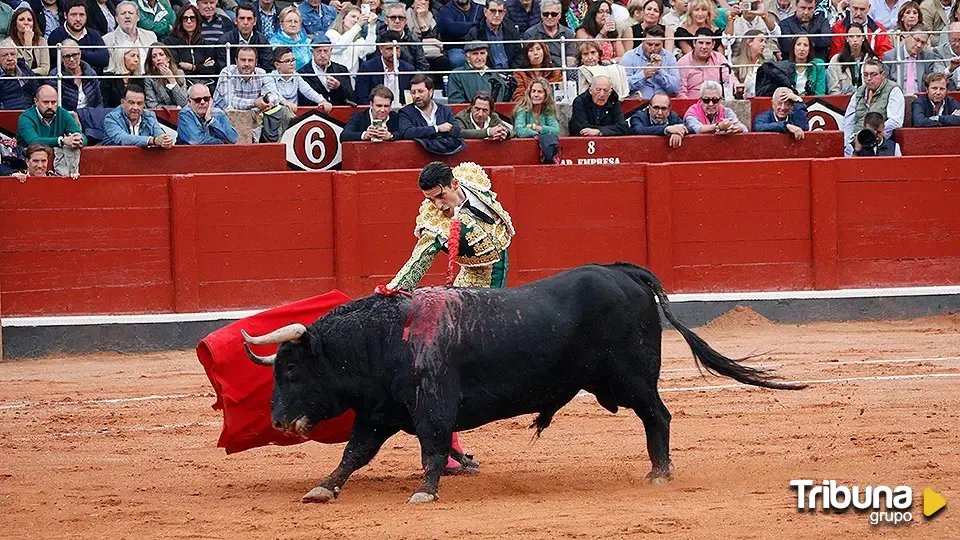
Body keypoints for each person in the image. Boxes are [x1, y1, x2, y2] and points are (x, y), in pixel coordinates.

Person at [377, 160, 515, 475]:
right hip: (469, 292)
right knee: (452, 370)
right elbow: (419, 260)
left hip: (494, 284)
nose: (435, 205)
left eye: (439, 196)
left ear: (454, 184)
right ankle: (447, 449)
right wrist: (394, 291)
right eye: (429, 199)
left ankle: (452, 446)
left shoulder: (472, 179)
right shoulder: (435, 220)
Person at [16, 85, 85, 175]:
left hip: (56, 165)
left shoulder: (62, 113)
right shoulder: (26, 117)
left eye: (53, 102)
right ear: (36, 101)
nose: (50, 106)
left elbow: (83, 137)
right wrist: (62, 141)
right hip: (27, 168)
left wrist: (78, 140)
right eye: (46, 102)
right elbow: (34, 142)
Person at [842, 57, 904, 156]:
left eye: (873, 74)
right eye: (865, 75)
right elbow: (848, 121)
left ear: (883, 75)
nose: (869, 79)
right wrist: (847, 143)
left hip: (881, 144)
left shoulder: (893, 90)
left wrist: (874, 136)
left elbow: (895, 121)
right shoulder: (859, 92)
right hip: (856, 142)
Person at [399, 74, 465, 155]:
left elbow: (455, 131)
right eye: (413, 92)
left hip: (446, 155)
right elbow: (408, 132)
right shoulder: (406, 112)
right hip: (419, 155)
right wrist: (437, 129)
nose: (416, 96)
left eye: (420, 91)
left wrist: (424, 135)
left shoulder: (445, 110)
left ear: (430, 92)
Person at [162, 4, 217, 88]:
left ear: (197, 20)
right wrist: (202, 67)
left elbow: (212, 69)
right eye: (185, 18)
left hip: (204, 84)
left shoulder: (204, 43)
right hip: (181, 84)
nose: (189, 21)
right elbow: (175, 66)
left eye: (192, 18)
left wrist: (193, 67)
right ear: (180, 20)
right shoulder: (170, 41)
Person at [103, 83, 174, 147]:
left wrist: (165, 140)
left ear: (144, 104)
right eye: (131, 103)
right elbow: (123, 139)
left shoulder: (150, 116)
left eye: (139, 103)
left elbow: (159, 133)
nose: (135, 107)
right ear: (122, 102)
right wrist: (152, 140)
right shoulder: (111, 119)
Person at [47, 0, 109, 72]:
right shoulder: (56, 35)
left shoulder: (94, 35)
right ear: (65, 15)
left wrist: (76, 52)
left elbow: (104, 59)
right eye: (73, 15)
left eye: (81, 15)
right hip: (65, 80)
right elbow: (59, 62)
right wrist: (91, 56)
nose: (78, 19)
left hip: (93, 79)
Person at [355, 32, 415, 106]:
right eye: (389, 49)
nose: (394, 53)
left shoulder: (408, 69)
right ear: (380, 48)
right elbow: (362, 98)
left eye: (397, 48)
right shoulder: (367, 68)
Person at [621, 23, 679, 98]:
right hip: (637, 105)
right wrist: (643, 75)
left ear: (663, 43)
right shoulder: (629, 56)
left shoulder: (669, 57)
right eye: (649, 44)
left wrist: (659, 70)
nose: (653, 48)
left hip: (662, 105)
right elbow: (622, 87)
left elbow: (675, 88)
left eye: (657, 45)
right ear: (643, 41)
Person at [676, 28, 738, 98]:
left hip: (715, 103)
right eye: (701, 43)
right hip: (691, 104)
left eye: (708, 43)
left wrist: (736, 86)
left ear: (713, 45)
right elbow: (681, 92)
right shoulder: (683, 62)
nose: (704, 47)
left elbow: (729, 78)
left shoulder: (719, 58)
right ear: (694, 43)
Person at [446, 41, 513, 104]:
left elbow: (505, 100)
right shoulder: (457, 75)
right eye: (475, 54)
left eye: (482, 53)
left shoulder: (495, 74)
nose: (479, 58)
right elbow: (456, 101)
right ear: (467, 58)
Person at [297, 34, 355, 105]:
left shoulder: (341, 69)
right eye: (319, 51)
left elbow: (351, 97)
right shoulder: (302, 73)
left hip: (338, 112)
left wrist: (339, 87)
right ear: (312, 52)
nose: (322, 55)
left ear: (331, 51)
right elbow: (302, 101)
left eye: (325, 51)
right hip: (314, 113)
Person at [512, 77, 560, 162]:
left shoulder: (548, 110)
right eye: (533, 91)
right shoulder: (522, 109)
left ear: (546, 94)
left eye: (540, 92)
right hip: (523, 152)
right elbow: (519, 130)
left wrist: (534, 127)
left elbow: (556, 131)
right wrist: (539, 136)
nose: (536, 95)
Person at [217, 2, 274, 73]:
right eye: (242, 18)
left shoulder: (262, 40)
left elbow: (267, 67)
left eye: (249, 19)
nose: (245, 22)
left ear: (255, 21)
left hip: (257, 80)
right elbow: (223, 68)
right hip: (232, 81)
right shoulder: (225, 41)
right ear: (235, 20)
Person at [48, 39, 102, 110]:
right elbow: (54, 106)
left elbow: (99, 102)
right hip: (67, 117)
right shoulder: (54, 76)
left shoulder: (91, 73)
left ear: (80, 54)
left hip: (89, 116)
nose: (72, 59)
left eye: (74, 55)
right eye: (67, 56)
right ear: (61, 58)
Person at [103, 1, 156, 74]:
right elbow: (110, 68)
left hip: (150, 80)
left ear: (138, 17)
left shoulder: (151, 36)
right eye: (123, 13)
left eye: (131, 13)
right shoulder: (107, 40)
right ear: (116, 18)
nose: (127, 16)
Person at [466, 0, 521, 70]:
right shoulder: (475, 32)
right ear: (485, 12)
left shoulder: (511, 29)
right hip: (487, 75)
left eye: (500, 11)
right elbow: (472, 59)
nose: (497, 15)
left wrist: (514, 69)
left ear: (504, 13)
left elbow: (519, 53)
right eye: (493, 11)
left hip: (511, 73)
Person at [830, 0, 894, 58]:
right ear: (849, 6)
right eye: (855, 8)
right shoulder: (837, 28)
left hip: (872, 67)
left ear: (869, 8)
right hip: (845, 67)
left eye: (862, 9)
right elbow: (835, 56)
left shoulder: (879, 29)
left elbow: (884, 56)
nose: (858, 13)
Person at [522, 0, 575, 69]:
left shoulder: (568, 34)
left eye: (553, 14)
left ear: (560, 15)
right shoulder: (530, 34)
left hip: (562, 72)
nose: (549, 17)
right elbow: (528, 61)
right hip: (539, 73)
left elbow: (571, 59)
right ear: (541, 14)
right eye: (546, 14)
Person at [325, 5, 376, 74]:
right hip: (334, 75)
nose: (355, 20)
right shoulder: (331, 33)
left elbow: (370, 49)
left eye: (358, 18)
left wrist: (372, 27)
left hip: (351, 77)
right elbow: (340, 45)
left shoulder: (358, 39)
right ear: (343, 18)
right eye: (353, 16)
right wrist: (357, 26)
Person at [683, 80, 748, 134]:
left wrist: (734, 129)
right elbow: (697, 129)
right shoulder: (692, 112)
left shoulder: (726, 112)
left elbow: (744, 128)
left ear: (720, 99)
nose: (710, 104)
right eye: (706, 100)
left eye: (715, 100)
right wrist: (718, 127)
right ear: (701, 99)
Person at [827, 24, 877, 94]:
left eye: (858, 36)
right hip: (843, 101)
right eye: (851, 36)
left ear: (863, 38)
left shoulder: (873, 60)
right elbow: (833, 90)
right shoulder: (836, 60)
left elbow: (877, 87)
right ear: (846, 38)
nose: (855, 40)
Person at [882, 30, 936, 94]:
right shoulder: (889, 56)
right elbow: (885, 84)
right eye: (917, 40)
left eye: (923, 43)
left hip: (921, 98)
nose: (919, 45)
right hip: (897, 97)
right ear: (907, 37)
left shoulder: (928, 56)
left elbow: (931, 81)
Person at [436, 0, 483, 69]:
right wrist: (475, 24)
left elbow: (484, 25)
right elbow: (451, 28)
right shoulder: (445, 10)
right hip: (455, 48)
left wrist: (460, 26)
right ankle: (462, 79)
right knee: (458, 59)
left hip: (479, 46)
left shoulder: (480, 8)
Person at [144, 42, 188, 107]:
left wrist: (172, 80)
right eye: (154, 56)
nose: (158, 58)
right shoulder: (149, 78)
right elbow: (152, 104)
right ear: (152, 62)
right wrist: (174, 108)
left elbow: (183, 103)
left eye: (161, 54)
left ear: (168, 58)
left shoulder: (180, 73)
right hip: (159, 115)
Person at [8, 7, 50, 75]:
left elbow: (45, 69)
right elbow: (22, 69)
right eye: (21, 20)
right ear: (15, 24)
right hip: (18, 82)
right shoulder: (9, 43)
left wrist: (29, 73)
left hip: (39, 80)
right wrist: (28, 44)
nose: (26, 23)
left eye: (29, 20)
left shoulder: (41, 41)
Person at [270, 5, 312, 70]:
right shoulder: (273, 43)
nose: (293, 24)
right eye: (289, 21)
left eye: (296, 22)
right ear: (281, 24)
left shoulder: (308, 42)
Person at [0, 39, 38, 109]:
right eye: (5, 55)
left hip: (30, 112)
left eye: (12, 54)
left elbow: (37, 89)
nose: (10, 58)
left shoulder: (24, 69)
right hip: (8, 113)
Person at [733, 29, 767, 98]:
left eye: (765, 42)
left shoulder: (765, 64)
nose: (764, 44)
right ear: (749, 42)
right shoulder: (735, 63)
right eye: (761, 41)